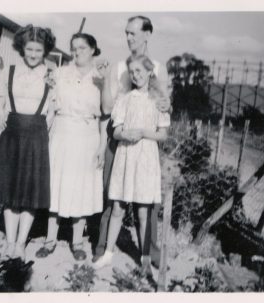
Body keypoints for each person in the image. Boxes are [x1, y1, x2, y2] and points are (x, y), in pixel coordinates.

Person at [93, 15, 171, 268]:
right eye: (126, 33)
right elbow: (107, 107)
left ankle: (149, 253)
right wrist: (106, 81)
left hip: (145, 145)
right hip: (119, 140)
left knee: (145, 204)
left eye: (133, 33)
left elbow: (163, 104)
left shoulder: (159, 68)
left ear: (148, 34)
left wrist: (162, 107)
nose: (128, 38)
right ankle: (104, 247)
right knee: (114, 197)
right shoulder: (119, 67)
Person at [0, 24, 56, 261]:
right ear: (22, 48)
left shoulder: (51, 74)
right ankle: (9, 242)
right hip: (12, 135)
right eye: (29, 49)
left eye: (38, 50)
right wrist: (1, 117)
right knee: (10, 192)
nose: (33, 54)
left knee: (29, 194)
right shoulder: (9, 71)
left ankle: (22, 243)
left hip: (37, 135)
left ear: (45, 51)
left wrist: (44, 133)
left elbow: (53, 109)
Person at [36, 33, 107, 261]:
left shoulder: (101, 77)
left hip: (88, 137)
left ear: (94, 49)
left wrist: (102, 147)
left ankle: (77, 242)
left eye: (83, 48)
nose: (77, 52)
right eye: (74, 48)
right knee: (57, 185)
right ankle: (50, 239)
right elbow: (49, 106)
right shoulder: (60, 73)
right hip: (62, 133)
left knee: (81, 188)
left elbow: (105, 116)